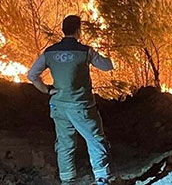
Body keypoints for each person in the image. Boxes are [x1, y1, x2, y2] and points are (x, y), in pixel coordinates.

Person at [27, 15, 115, 185]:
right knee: (95, 140)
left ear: (63, 30)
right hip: (82, 106)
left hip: (58, 106)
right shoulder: (85, 51)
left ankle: (67, 181)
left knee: (65, 145)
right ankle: (102, 179)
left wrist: (47, 89)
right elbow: (107, 66)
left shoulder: (50, 52)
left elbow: (32, 75)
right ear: (78, 30)